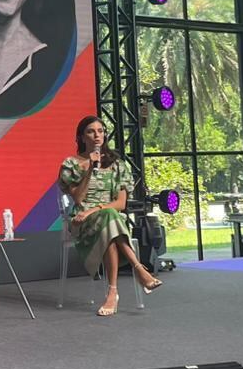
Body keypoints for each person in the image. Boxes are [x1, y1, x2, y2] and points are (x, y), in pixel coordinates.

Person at [57, 115, 163, 317]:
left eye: (100, 131)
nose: (97, 135)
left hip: (107, 217)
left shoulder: (118, 165)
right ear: (81, 137)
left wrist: (94, 209)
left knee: (109, 221)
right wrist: (90, 169)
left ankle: (112, 293)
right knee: (110, 221)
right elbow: (78, 200)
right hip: (82, 221)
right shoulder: (71, 164)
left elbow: (121, 204)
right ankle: (139, 269)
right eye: (90, 131)